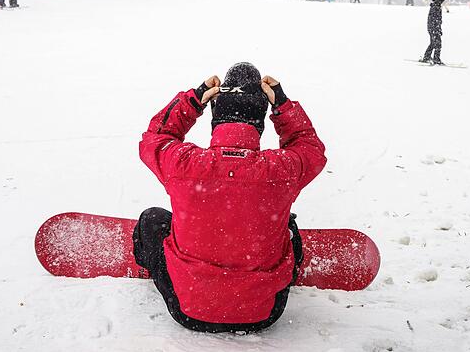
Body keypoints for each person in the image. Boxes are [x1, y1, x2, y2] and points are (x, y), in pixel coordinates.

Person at [135, 62, 327, 333]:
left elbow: (155, 137)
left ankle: (161, 264)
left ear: (216, 115)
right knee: (288, 225)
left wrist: (193, 100)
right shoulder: (281, 169)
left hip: (187, 309)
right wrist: (283, 105)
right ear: (260, 121)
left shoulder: (184, 163)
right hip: (264, 313)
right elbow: (310, 148)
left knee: (152, 220)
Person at [420, 0, 446, 65]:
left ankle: (427, 57)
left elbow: (435, 19)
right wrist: (437, 29)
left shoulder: (436, 4)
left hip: (432, 27)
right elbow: (434, 19)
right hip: (434, 28)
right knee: (438, 44)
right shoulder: (436, 6)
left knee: (433, 43)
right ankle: (436, 59)